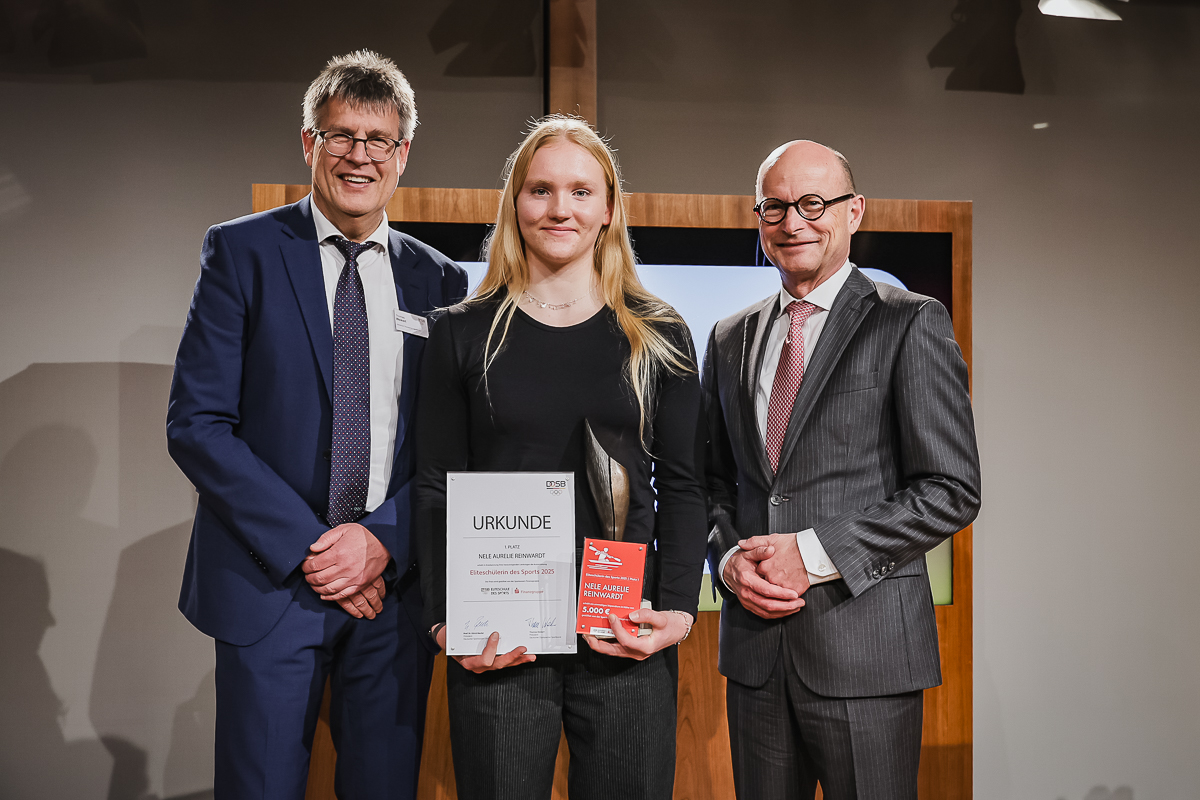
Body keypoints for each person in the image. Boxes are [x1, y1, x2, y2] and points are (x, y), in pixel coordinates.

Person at [167, 50, 468, 799]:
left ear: (403, 154)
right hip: (270, 584)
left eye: (378, 140)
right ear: (310, 143)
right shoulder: (241, 252)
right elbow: (198, 424)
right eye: (340, 136)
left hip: (391, 591)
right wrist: (316, 550)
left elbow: (451, 444)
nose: (359, 156)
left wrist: (380, 541)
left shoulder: (440, 280)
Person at [413, 116, 707, 799]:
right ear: (516, 203)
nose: (559, 208)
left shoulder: (658, 332)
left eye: (580, 191)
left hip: (623, 628)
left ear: (608, 209)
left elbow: (684, 485)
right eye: (540, 190)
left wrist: (677, 611)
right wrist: (444, 618)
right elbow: (435, 485)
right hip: (502, 636)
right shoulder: (461, 332)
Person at [702, 140, 981, 800]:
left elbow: (951, 489)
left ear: (854, 212)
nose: (792, 222)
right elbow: (711, 483)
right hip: (756, 658)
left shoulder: (910, 321)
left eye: (812, 203)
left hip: (868, 655)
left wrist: (811, 553)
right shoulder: (728, 336)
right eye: (774, 207)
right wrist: (728, 560)